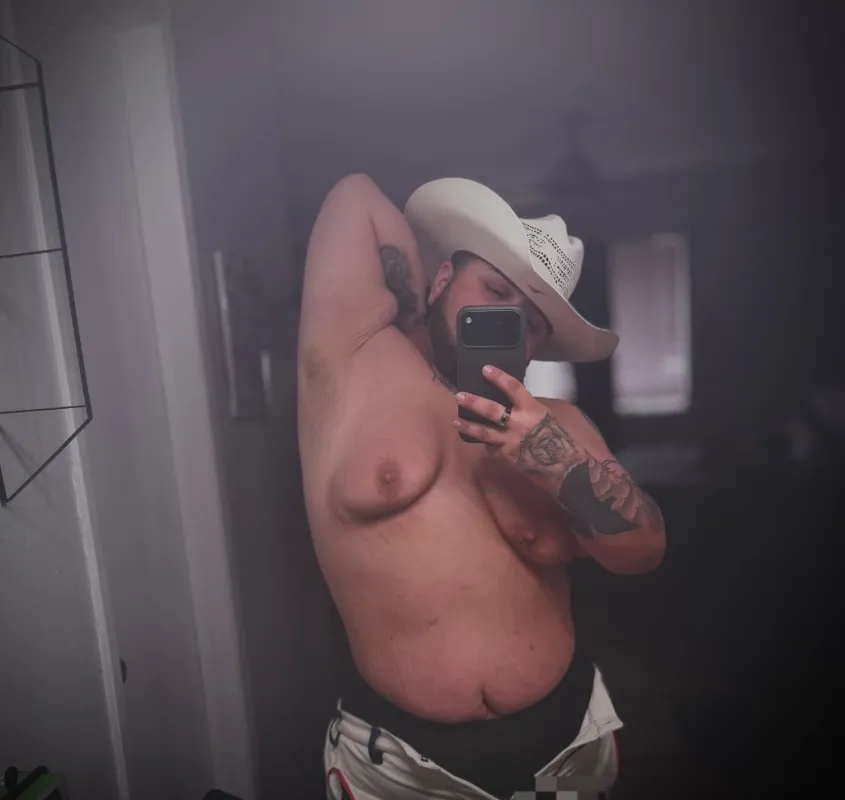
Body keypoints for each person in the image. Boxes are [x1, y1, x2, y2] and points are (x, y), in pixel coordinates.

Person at [297, 174, 666, 800]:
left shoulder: (561, 423)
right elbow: (356, 198)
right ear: (442, 278)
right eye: (493, 291)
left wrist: (553, 459)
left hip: (565, 751)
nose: (507, 320)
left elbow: (645, 549)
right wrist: (422, 327)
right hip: (402, 770)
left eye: (531, 321)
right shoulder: (356, 366)